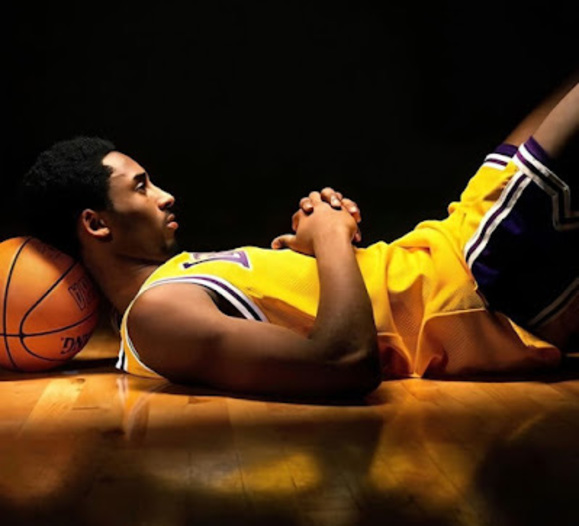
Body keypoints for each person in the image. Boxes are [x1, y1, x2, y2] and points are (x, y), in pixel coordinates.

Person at [17, 76, 578, 398]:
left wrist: (317, 250)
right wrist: (330, 234)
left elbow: (315, 307)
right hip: (473, 287)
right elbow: (344, 363)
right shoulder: (154, 315)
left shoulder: (177, 281)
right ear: (96, 224)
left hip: (445, 245)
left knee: (557, 99)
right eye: (141, 187)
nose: (164, 196)